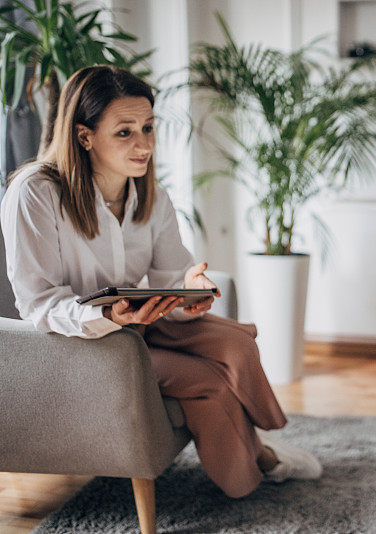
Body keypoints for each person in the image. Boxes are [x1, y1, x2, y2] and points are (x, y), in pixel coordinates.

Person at [0, 65, 322, 498]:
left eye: (149, 128)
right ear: (84, 136)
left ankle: (260, 443)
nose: (144, 144)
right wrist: (106, 315)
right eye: (125, 132)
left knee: (237, 344)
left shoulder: (151, 195)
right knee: (208, 379)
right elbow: (38, 303)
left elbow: (173, 275)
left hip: (143, 326)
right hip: (80, 345)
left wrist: (192, 288)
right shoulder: (35, 193)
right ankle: (258, 459)